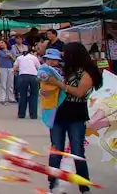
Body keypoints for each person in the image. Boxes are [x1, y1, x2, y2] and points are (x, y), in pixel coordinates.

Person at [40, 42, 102, 193]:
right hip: (58, 114)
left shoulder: (88, 71)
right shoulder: (62, 69)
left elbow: (79, 92)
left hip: (77, 115)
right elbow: (46, 82)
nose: (62, 56)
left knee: (77, 152)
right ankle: (53, 185)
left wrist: (59, 84)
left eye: (66, 53)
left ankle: (84, 186)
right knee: (56, 150)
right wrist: (45, 89)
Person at [14, 46, 41, 120]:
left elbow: (15, 68)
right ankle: (33, 115)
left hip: (23, 76)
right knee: (34, 95)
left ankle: (21, 114)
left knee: (22, 95)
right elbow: (39, 68)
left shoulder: (19, 58)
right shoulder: (34, 57)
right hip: (33, 77)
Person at [0, 39, 16, 105]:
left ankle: (11, 98)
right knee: (3, 84)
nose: (1, 44)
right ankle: (2, 98)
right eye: (0, 43)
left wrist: (10, 56)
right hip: (2, 68)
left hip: (10, 68)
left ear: (6, 43)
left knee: (10, 84)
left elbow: (15, 60)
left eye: (2, 42)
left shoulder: (11, 50)